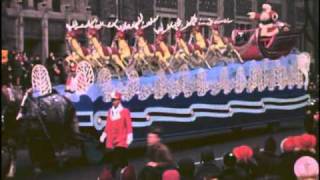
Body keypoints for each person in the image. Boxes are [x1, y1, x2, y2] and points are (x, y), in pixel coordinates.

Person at [99, 91, 133, 178]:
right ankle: (127, 172)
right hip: (112, 139)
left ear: (119, 100)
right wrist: (104, 134)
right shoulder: (110, 111)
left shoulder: (125, 111)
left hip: (122, 139)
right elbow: (108, 125)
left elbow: (128, 125)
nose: (113, 101)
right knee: (122, 160)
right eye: (112, 100)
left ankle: (111, 174)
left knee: (116, 159)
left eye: (115, 100)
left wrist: (130, 136)